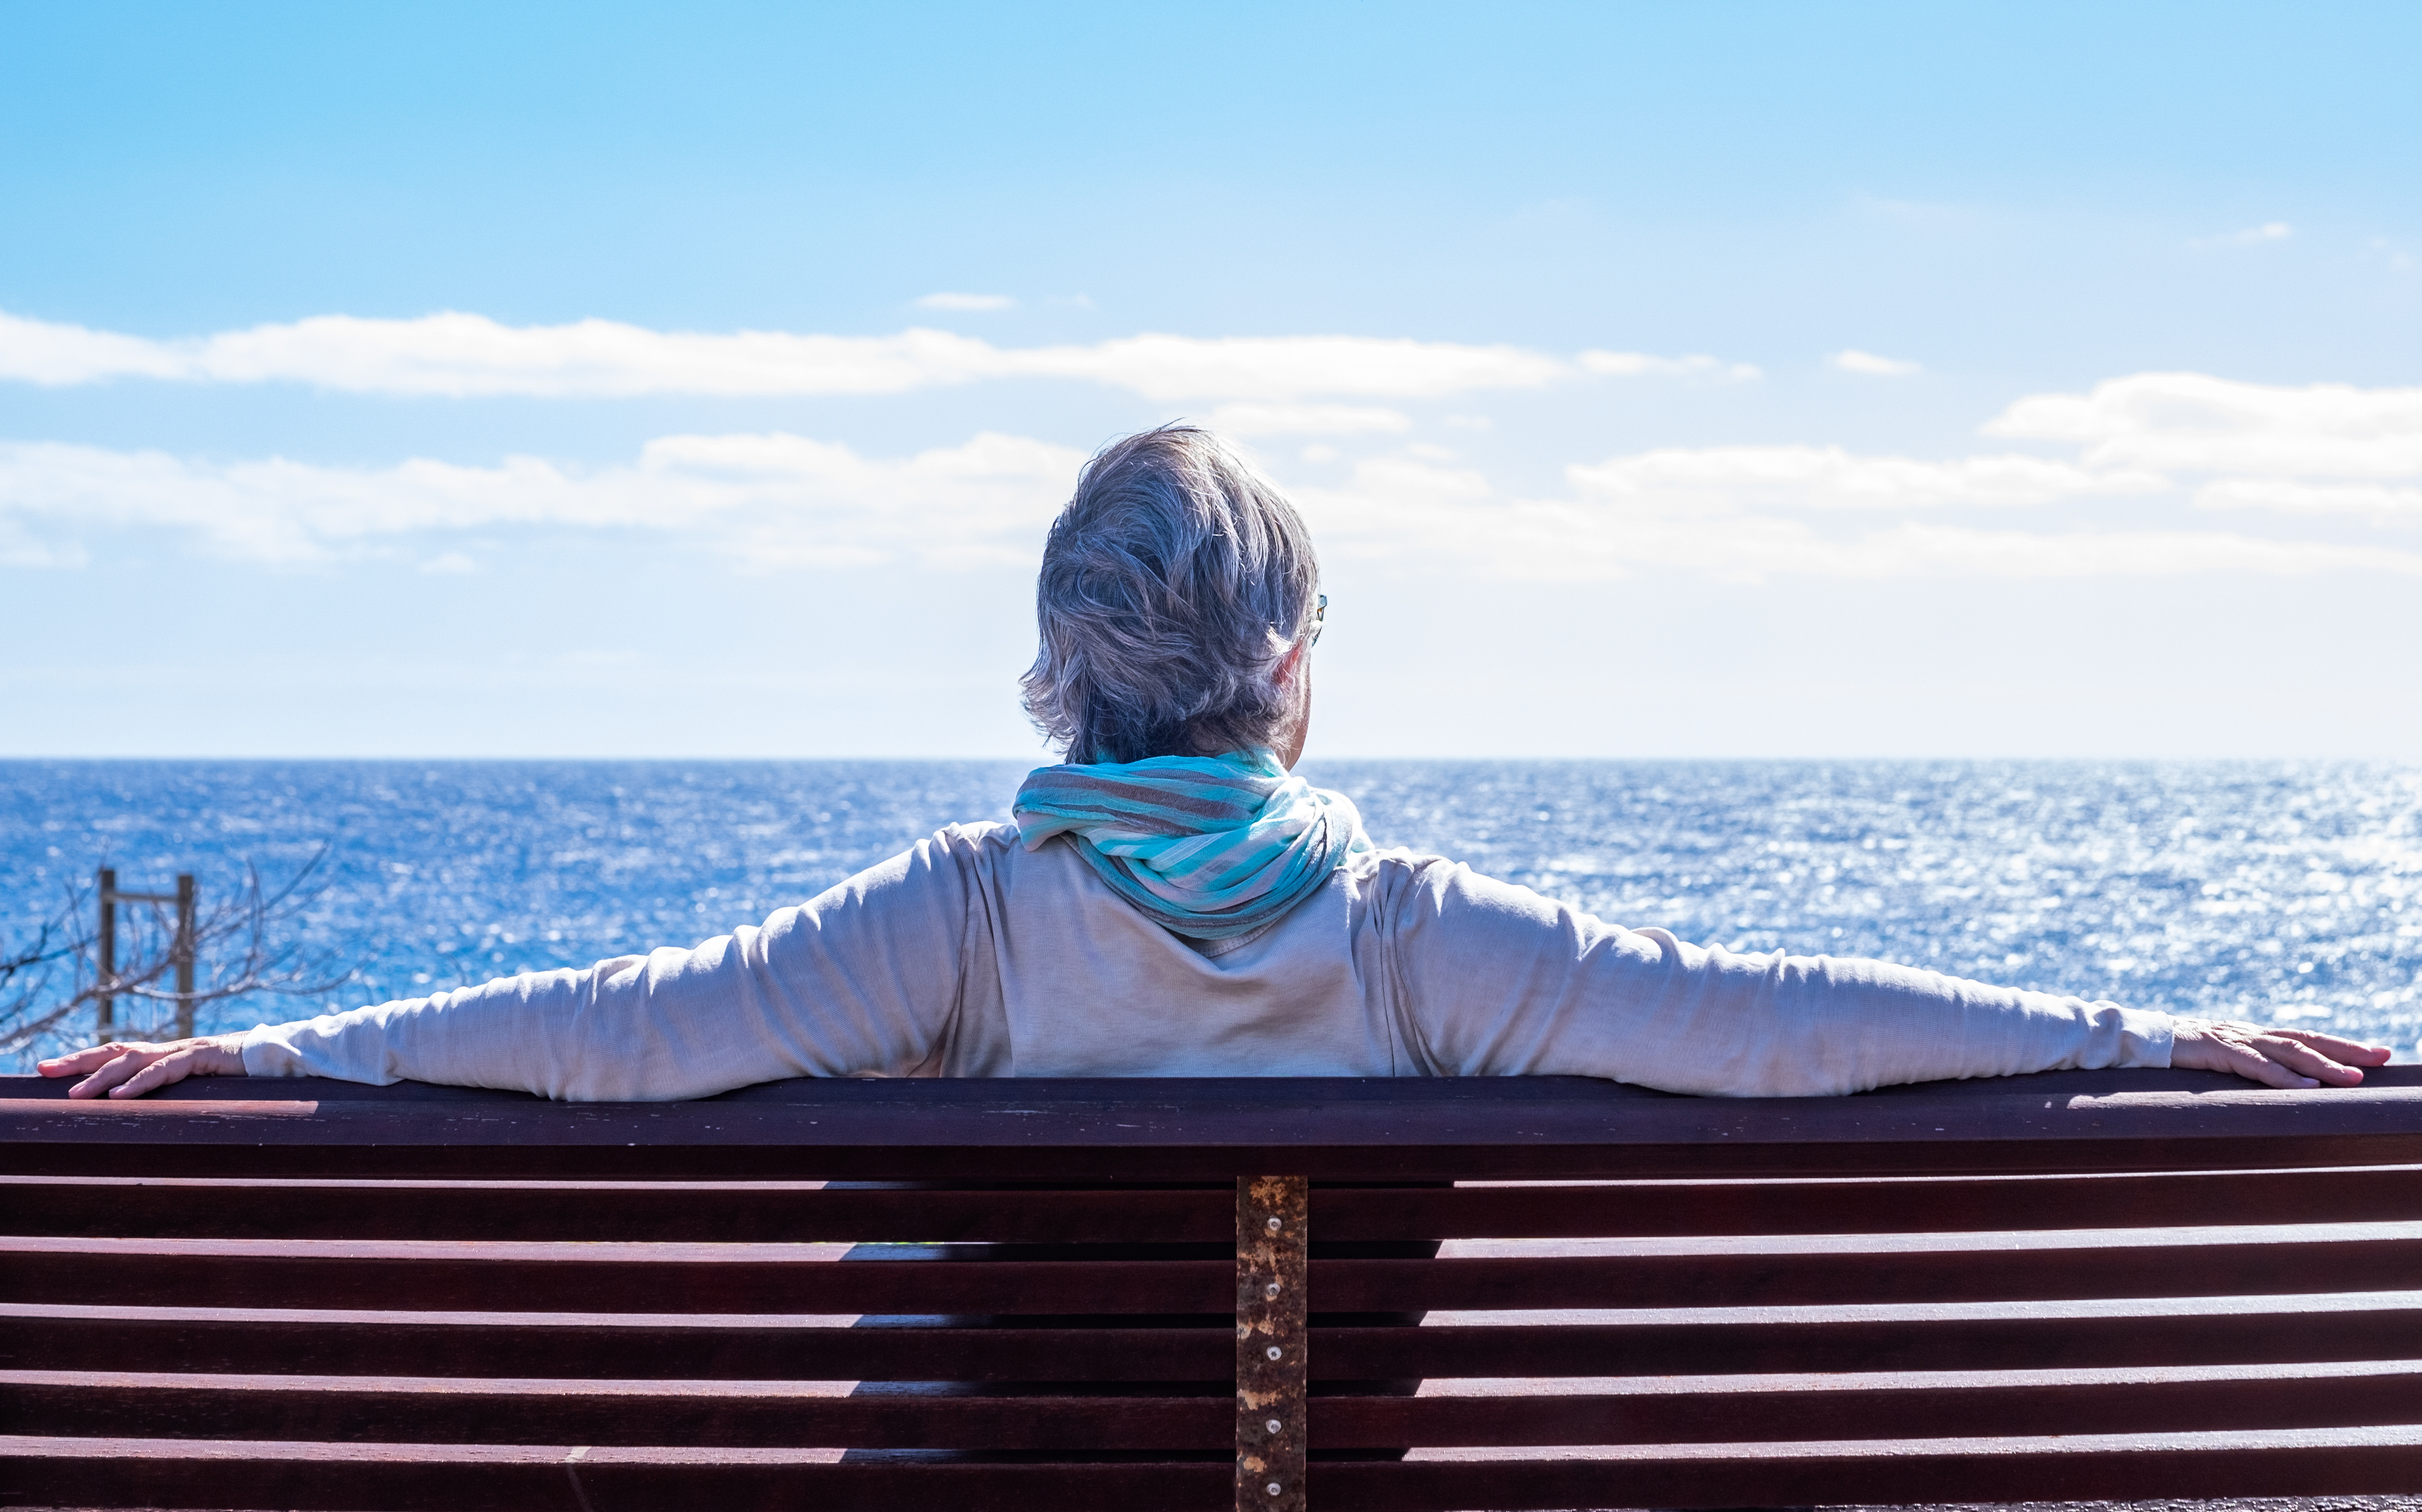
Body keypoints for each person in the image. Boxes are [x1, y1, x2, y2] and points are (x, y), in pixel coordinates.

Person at [43, 426, 2390, 1102]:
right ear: (1286, 677)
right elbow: (1769, 1019)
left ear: (1070, 678)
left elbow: (618, 1032)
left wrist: (257, 1046)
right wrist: (2137, 1033)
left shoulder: (955, 922)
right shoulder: (1408, 939)